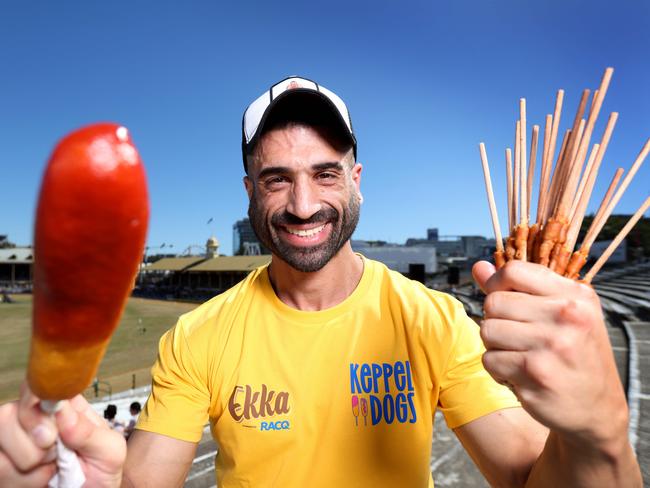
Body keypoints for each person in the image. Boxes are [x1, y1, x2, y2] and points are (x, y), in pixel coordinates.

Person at [0, 76, 641, 487]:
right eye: (277, 178)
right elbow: (145, 482)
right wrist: (75, 476)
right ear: (251, 193)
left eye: (326, 174)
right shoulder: (198, 337)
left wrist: (597, 431)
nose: (303, 203)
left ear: (357, 178)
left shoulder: (434, 320)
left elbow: (532, 479)